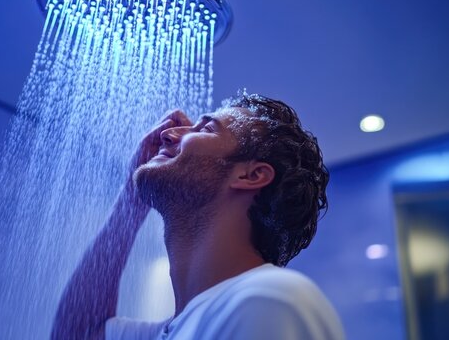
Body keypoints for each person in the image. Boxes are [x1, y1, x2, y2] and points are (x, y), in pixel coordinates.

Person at [51, 93, 345, 340]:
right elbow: (79, 332)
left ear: (251, 175)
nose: (167, 133)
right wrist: (132, 198)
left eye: (205, 129)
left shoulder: (269, 300)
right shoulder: (176, 328)